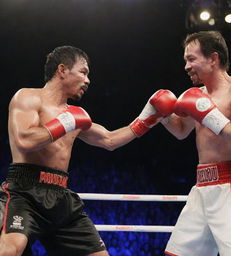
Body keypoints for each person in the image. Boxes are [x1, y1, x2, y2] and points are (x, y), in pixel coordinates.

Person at [0, 45, 177, 256]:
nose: (88, 80)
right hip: (24, 192)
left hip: (60, 195)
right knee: (11, 248)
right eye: (83, 72)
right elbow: (24, 140)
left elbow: (109, 139)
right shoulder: (28, 97)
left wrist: (147, 119)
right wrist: (65, 122)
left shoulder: (77, 114)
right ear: (62, 70)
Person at [162, 31, 231, 255]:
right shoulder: (193, 94)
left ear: (213, 58)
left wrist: (208, 114)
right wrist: (163, 114)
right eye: (185, 60)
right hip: (202, 187)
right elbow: (181, 131)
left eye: (191, 59)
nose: (186, 66)